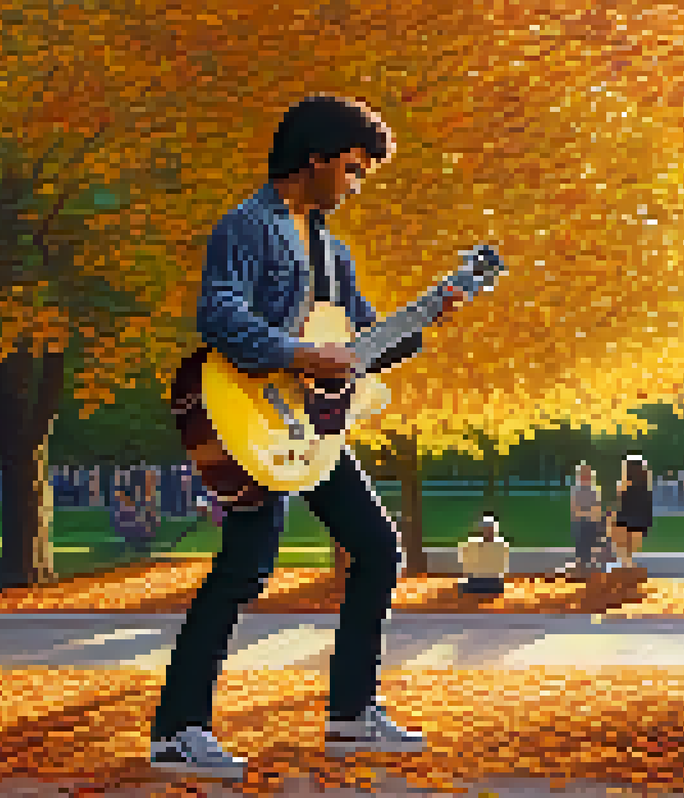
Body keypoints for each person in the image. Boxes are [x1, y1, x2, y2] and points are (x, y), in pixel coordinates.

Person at [149, 95, 467, 775]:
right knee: (245, 569)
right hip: (250, 417)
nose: (356, 185)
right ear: (315, 158)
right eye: (352, 169)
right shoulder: (248, 225)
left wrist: (425, 319)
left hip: (313, 429)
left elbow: (360, 348)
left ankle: (351, 714)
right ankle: (177, 731)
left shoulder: (330, 251)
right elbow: (219, 316)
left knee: (378, 549)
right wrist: (299, 355)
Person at [609, 454, 653, 569]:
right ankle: (626, 563)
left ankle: (625, 563)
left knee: (624, 544)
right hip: (635, 521)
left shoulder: (626, 485)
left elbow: (620, 505)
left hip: (629, 522)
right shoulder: (644, 486)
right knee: (626, 546)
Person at [458, 512, 510, 595]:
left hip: (490, 582)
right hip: (485, 582)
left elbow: (501, 568)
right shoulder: (474, 543)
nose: (488, 532)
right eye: (487, 529)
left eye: (489, 529)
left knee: (464, 586)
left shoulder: (499, 544)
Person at [568, 463, 604, 575]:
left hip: (592, 521)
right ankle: (581, 565)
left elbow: (597, 507)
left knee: (592, 540)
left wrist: (592, 515)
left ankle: (590, 565)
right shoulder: (576, 490)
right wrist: (586, 514)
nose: (585, 477)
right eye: (583, 474)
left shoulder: (594, 490)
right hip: (581, 521)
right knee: (581, 540)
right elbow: (575, 509)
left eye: (587, 474)